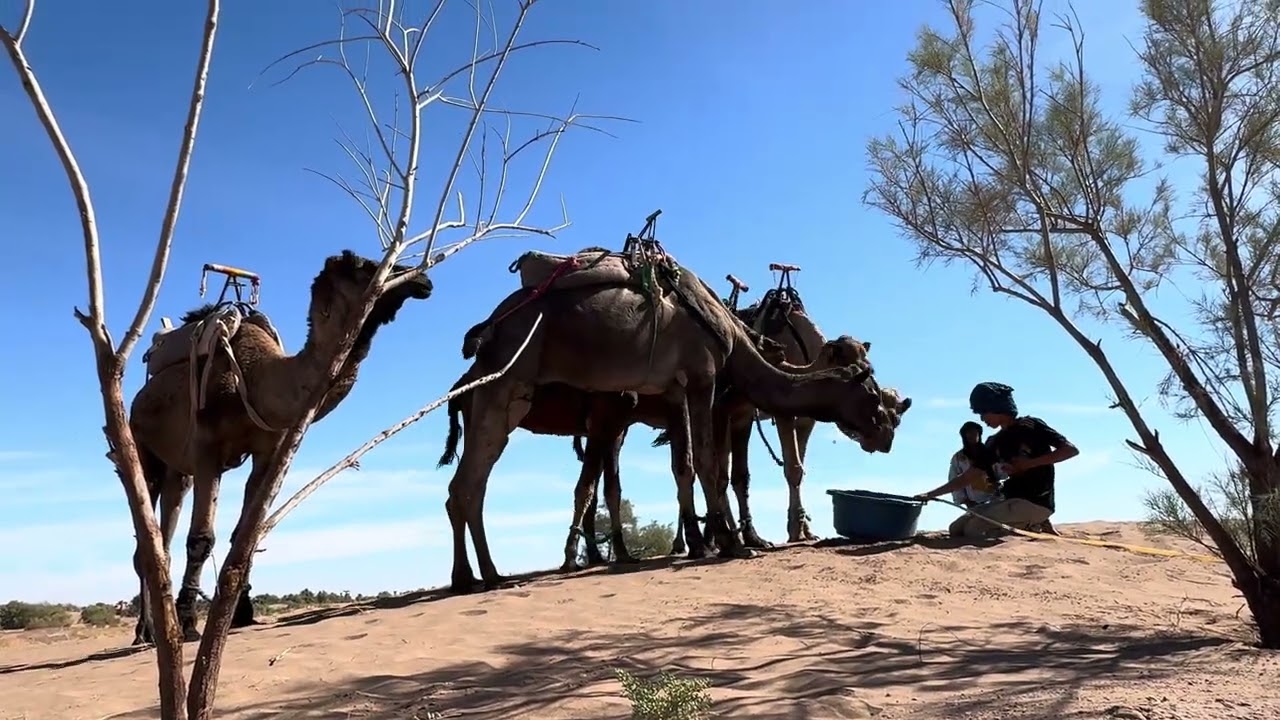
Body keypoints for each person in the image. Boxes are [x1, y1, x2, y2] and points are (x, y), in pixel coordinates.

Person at [917, 382, 1079, 538]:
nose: (982, 419)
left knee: (974, 531)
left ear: (997, 409)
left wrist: (1028, 464)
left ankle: (1034, 524)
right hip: (1008, 500)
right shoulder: (995, 442)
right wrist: (930, 494)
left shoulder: (1031, 426)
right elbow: (968, 476)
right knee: (956, 529)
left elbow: (1070, 450)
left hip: (1035, 502)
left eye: (983, 413)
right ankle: (1024, 522)